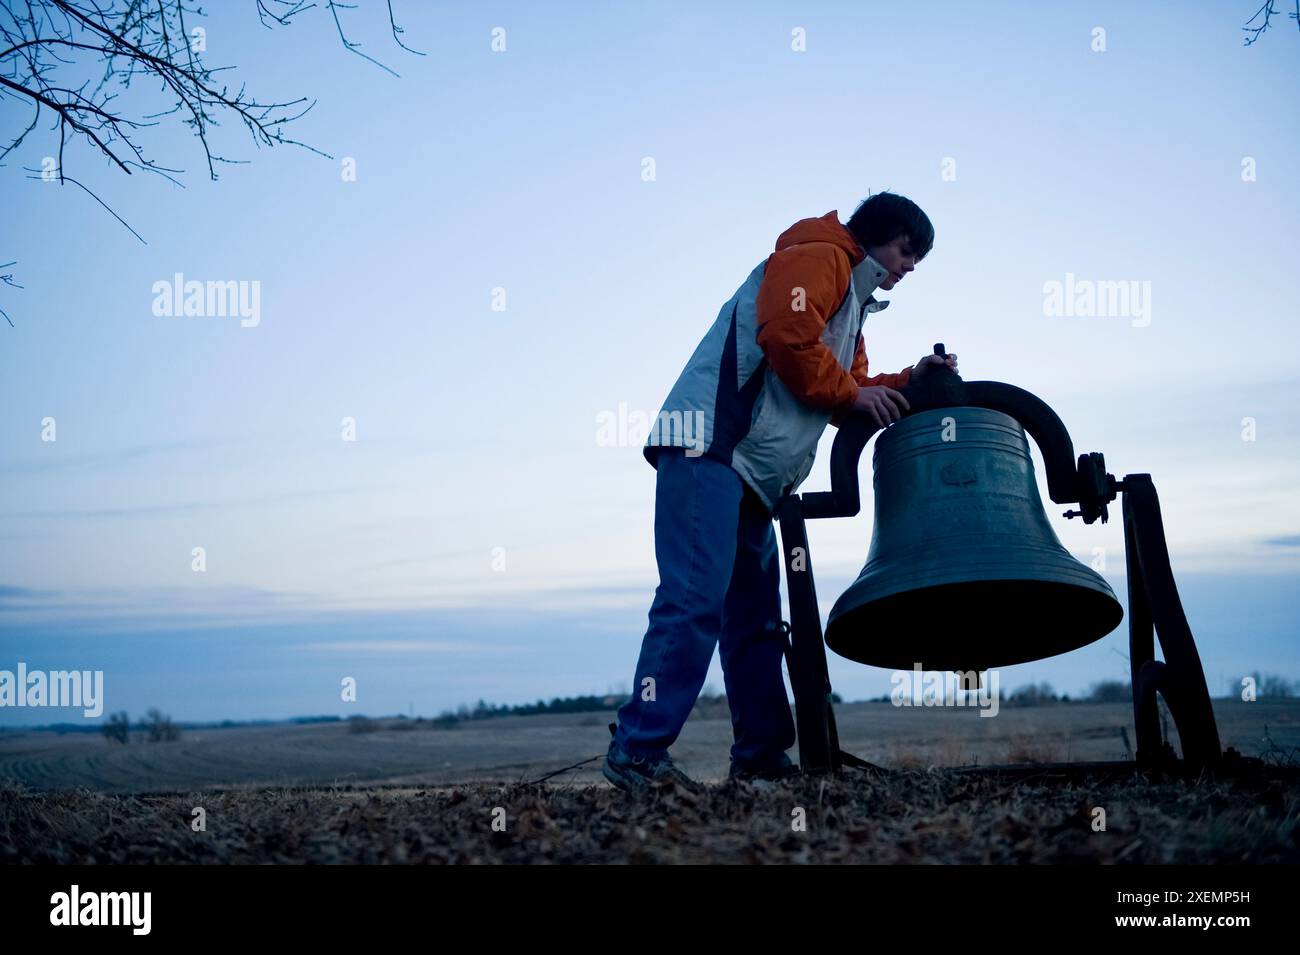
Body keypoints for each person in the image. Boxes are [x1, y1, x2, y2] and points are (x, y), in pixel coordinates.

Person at [603, 192, 957, 793]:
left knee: (756, 622)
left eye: (917, 259)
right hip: (708, 447)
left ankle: (761, 758)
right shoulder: (818, 257)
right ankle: (637, 752)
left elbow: (851, 385)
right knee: (693, 600)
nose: (910, 267)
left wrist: (911, 381)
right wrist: (852, 396)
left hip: (749, 474)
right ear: (877, 234)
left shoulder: (853, 299)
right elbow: (788, 337)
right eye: (907, 250)